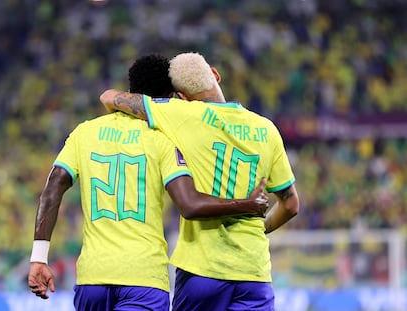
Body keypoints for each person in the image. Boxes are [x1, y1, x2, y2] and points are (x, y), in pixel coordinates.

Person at [27, 54, 270, 311]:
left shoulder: (84, 133)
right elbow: (189, 204)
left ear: (131, 89)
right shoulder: (164, 139)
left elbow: (52, 188)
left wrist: (39, 258)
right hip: (144, 279)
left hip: (92, 279)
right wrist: (247, 204)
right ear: (170, 95)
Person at [100, 52, 300, 311]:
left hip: (201, 271)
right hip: (253, 272)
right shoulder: (266, 128)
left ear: (181, 96)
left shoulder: (181, 113)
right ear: (215, 75)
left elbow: (110, 97)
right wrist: (260, 228)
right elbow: (291, 204)